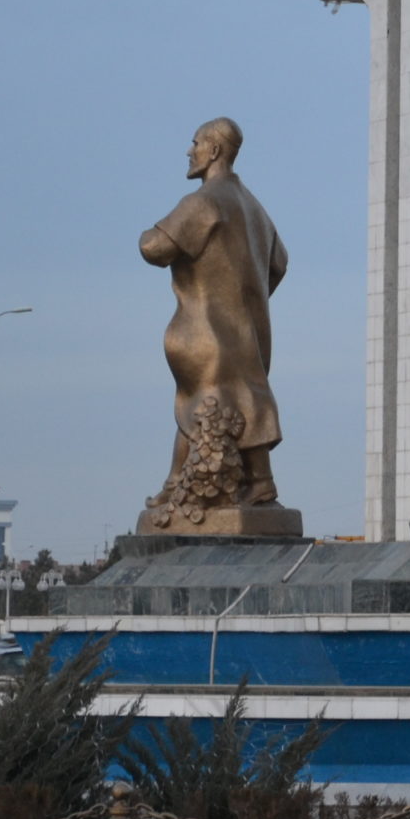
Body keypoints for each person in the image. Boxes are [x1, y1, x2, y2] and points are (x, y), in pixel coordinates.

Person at [139, 117, 288, 522]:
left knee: (206, 399)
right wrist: (247, 300)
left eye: (196, 144)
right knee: (230, 397)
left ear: (215, 150)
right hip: (246, 331)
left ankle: (194, 483)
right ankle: (237, 480)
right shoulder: (254, 207)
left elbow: (154, 248)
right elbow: (279, 263)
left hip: (206, 331)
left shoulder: (204, 202)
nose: (190, 152)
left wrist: (146, 235)